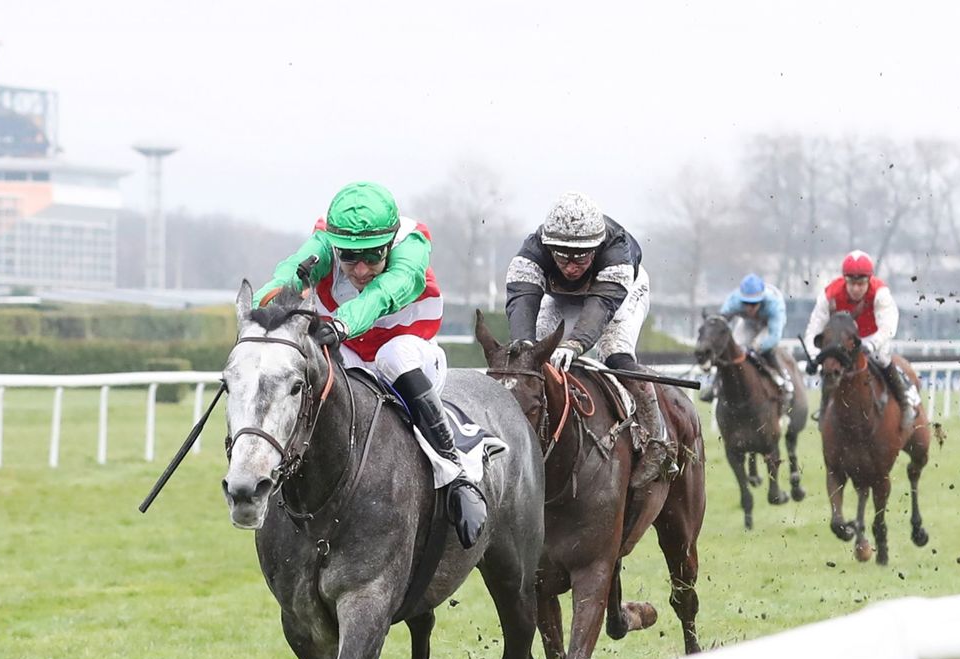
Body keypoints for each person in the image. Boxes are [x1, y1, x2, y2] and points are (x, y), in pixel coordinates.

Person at [252, 181, 487, 548]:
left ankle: (456, 474)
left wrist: (341, 324)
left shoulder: (411, 245)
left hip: (410, 353)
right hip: (347, 353)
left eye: (372, 257)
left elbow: (380, 295)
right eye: (349, 257)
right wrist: (264, 309)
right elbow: (288, 274)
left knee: (392, 357)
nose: (360, 270)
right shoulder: (325, 244)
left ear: (389, 244)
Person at [504, 191, 673, 483]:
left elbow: (601, 307)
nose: (570, 267)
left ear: (596, 249)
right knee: (534, 356)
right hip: (560, 298)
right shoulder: (531, 252)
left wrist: (576, 343)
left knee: (615, 355)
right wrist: (526, 345)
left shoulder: (617, 252)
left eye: (580, 258)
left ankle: (657, 444)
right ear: (548, 247)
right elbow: (522, 300)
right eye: (562, 257)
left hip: (619, 295)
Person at [803, 249, 920, 426]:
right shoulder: (829, 295)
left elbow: (888, 326)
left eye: (861, 283)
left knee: (882, 358)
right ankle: (824, 409)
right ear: (845, 279)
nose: (856, 288)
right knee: (830, 365)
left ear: (869, 280)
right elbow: (813, 330)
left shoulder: (880, 293)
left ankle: (904, 405)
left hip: (873, 336)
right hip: (844, 341)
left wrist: (872, 345)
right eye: (851, 283)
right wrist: (814, 357)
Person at [702, 273, 795, 413]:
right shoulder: (733, 301)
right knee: (734, 349)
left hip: (768, 326)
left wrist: (755, 348)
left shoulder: (774, 304)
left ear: (762, 299)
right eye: (746, 303)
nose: (749, 308)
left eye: (754, 303)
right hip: (748, 324)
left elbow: (774, 336)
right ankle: (715, 384)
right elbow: (721, 323)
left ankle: (783, 381)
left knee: (764, 349)